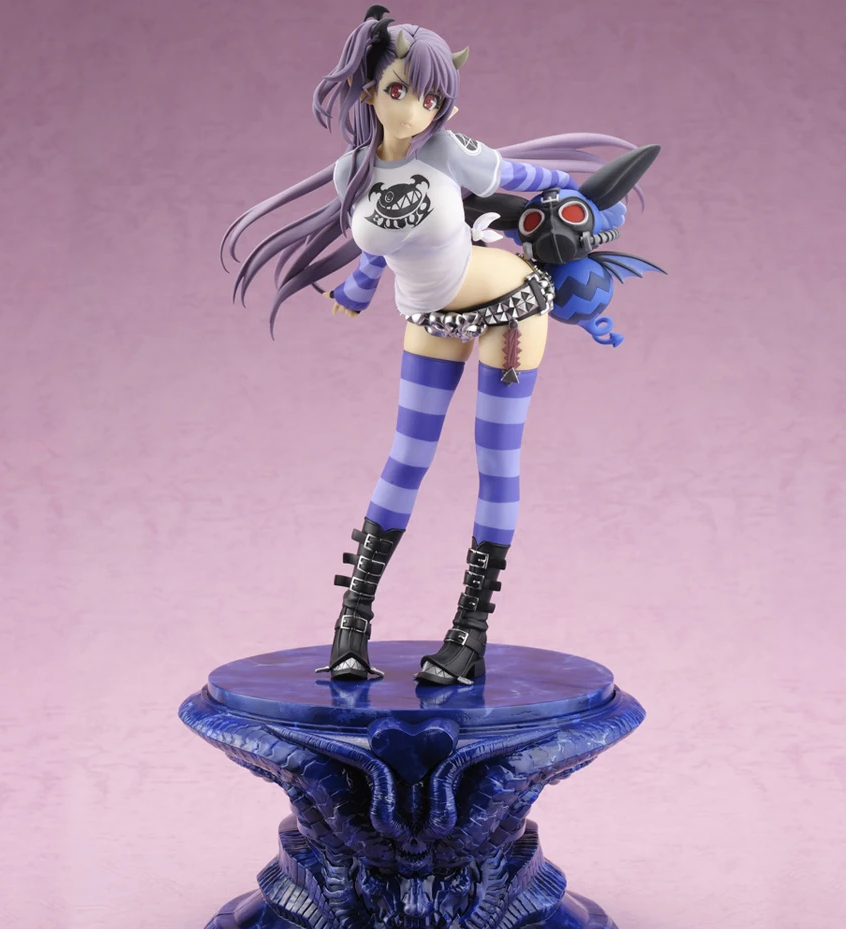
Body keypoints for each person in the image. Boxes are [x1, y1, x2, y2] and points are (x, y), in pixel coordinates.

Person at [221, 6, 641, 686]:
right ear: (368, 93)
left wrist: (580, 204)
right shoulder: (350, 171)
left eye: (432, 96)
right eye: (400, 90)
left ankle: (468, 633)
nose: (418, 108)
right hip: (429, 316)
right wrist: (356, 289)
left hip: (509, 306)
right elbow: (382, 243)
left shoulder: (448, 151)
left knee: (494, 459)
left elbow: (525, 176)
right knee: (406, 457)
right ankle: (352, 624)